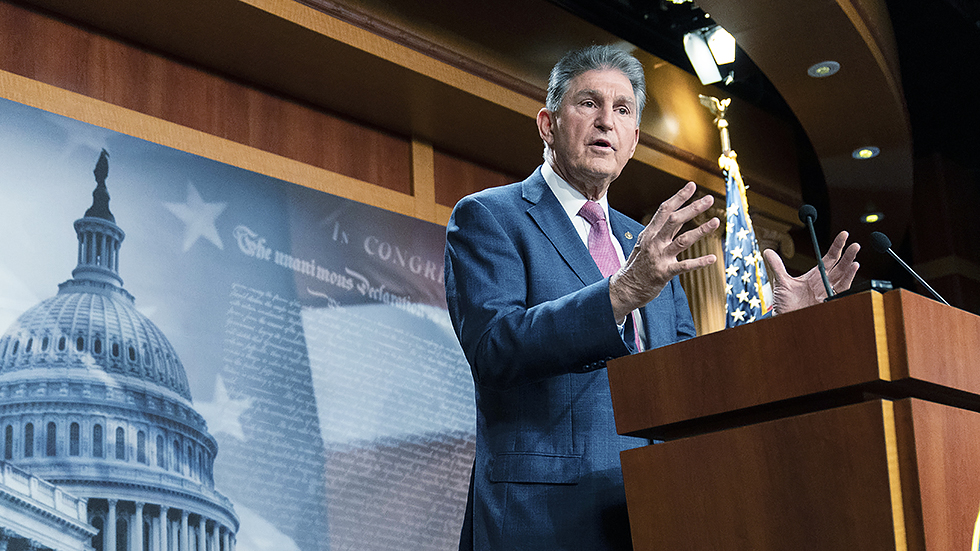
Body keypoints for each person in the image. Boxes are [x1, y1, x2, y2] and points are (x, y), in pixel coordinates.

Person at [444, 45, 860, 550]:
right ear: (547, 123)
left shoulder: (649, 243)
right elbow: (495, 348)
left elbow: (689, 377)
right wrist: (619, 295)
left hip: (654, 508)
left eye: (622, 111)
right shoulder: (491, 217)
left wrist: (781, 328)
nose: (606, 122)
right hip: (542, 516)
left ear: (635, 138)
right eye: (588, 103)